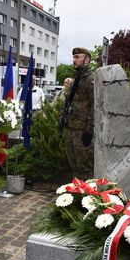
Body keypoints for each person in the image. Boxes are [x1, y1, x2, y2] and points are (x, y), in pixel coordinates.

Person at [59, 47, 94, 180]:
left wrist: (89, 130)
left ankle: (88, 196)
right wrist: (62, 118)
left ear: (87, 59)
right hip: (71, 127)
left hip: (82, 130)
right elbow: (69, 100)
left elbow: (93, 106)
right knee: (73, 164)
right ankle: (77, 194)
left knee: (85, 166)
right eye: (74, 57)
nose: (74, 60)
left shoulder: (91, 79)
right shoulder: (77, 77)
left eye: (77, 57)